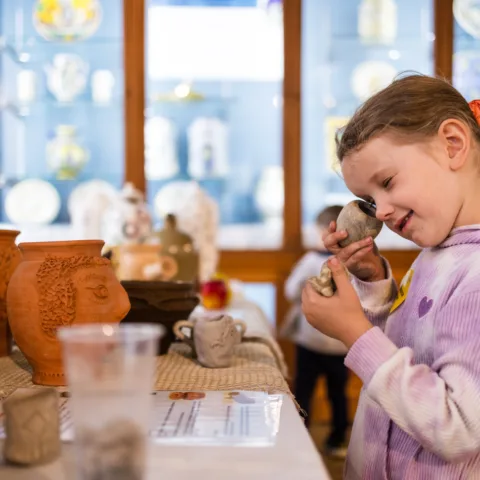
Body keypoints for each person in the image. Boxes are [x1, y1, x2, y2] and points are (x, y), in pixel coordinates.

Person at [301, 73, 480, 479]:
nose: (379, 211)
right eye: (370, 199)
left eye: (387, 182)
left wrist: (354, 334)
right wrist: (375, 280)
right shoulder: (438, 254)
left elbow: (459, 427)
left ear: (453, 144)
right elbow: (409, 355)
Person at [281, 205, 349, 457]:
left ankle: (301, 437)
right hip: (341, 343)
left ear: (323, 231)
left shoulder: (310, 261)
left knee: (303, 391)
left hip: (309, 340)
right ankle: (338, 438)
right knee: (338, 393)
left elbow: (290, 291)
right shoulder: (350, 263)